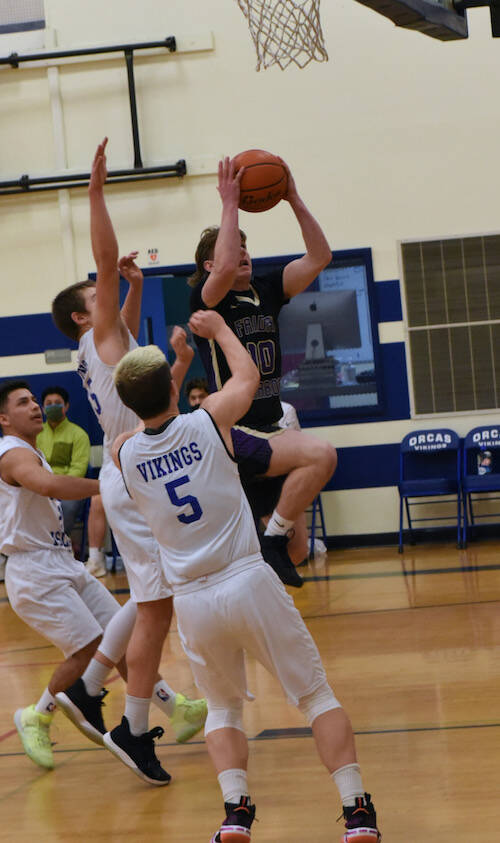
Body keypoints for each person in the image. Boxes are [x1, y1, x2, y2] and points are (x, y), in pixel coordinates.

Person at [110, 310, 381, 843]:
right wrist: (219, 330)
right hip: (246, 576)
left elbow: (142, 417)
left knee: (222, 708)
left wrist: (166, 369)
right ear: (172, 385)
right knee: (316, 697)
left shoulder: (123, 454)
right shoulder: (208, 419)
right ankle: (356, 813)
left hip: (192, 600)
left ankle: (235, 812)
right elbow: (249, 379)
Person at [51, 138, 206, 784]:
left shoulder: (106, 341)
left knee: (152, 600)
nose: (105, 284)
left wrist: (136, 293)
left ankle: (91, 690)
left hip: (128, 472)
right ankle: (131, 725)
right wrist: (94, 191)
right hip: (129, 472)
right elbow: (106, 256)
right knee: (157, 605)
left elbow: (132, 345)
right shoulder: (98, 330)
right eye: (100, 289)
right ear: (83, 314)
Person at [189, 157, 337, 587]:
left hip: (268, 426)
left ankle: (267, 553)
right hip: (232, 429)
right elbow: (220, 262)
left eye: (245, 248)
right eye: (233, 251)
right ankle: (265, 547)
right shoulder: (207, 300)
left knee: (298, 550)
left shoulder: (268, 289)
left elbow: (320, 255)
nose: (242, 254)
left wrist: (291, 196)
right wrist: (230, 203)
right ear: (211, 266)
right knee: (321, 454)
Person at [0, 379, 127, 770]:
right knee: (89, 649)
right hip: (33, 567)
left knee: (122, 632)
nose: (36, 406)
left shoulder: (33, 450)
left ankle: (174, 706)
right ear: (4, 419)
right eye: (24, 403)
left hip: (60, 560)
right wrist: (107, 484)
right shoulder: (11, 452)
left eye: (35, 400)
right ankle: (36, 716)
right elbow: (49, 484)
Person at [37, 384, 91, 536]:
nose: (53, 406)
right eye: (49, 404)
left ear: (66, 406)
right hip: (40, 487)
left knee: (65, 507)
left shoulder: (79, 435)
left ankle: (57, 544)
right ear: (42, 408)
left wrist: (57, 486)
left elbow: (79, 469)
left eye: (58, 403)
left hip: (69, 489)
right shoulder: (35, 434)